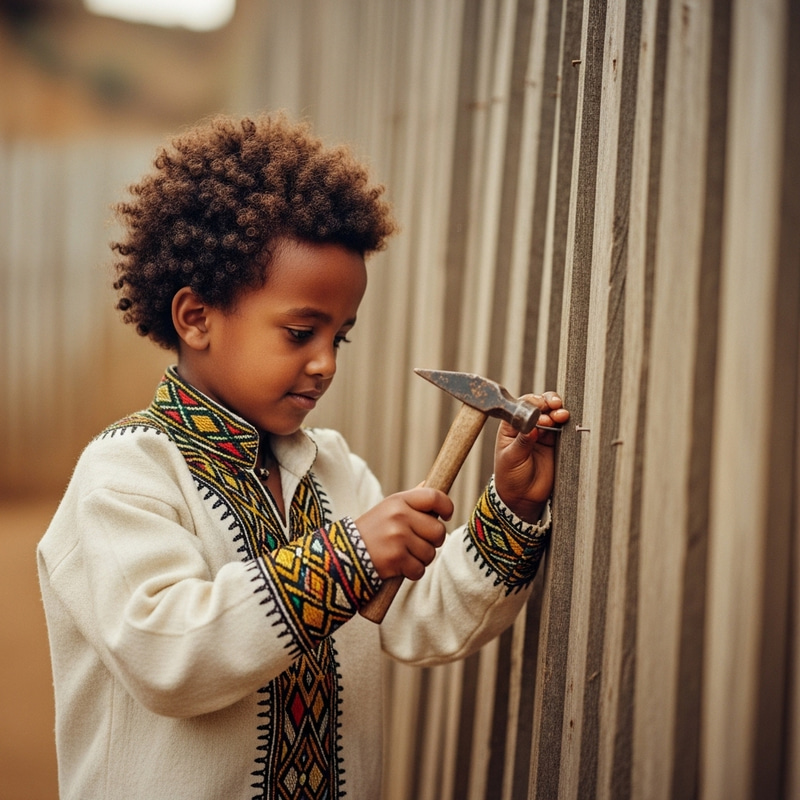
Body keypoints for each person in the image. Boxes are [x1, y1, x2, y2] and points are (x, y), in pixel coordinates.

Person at [37, 113, 570, 800]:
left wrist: (512, 509)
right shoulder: (124, 475)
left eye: (339, 338)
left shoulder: (334, 470)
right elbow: (165, 654)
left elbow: (417, 621)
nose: (323, 364)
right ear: (195, 317)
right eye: (298, 332)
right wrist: (348, 557)